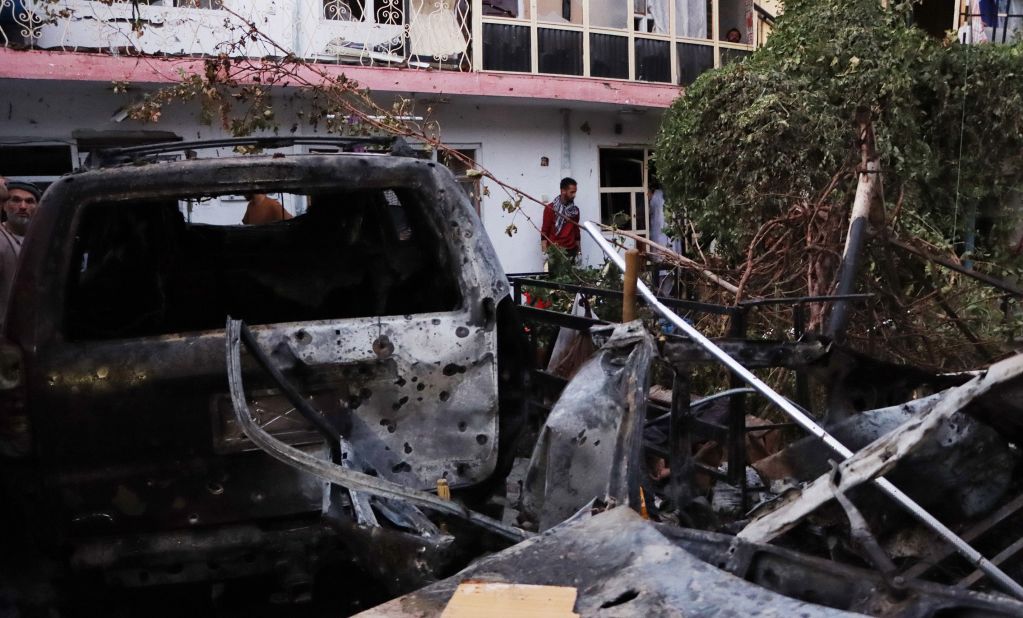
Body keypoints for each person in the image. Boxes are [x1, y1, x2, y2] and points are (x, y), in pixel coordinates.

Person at [0, 180, 40, 315]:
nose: (23, 206)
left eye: (29, 201)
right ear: (4, 206)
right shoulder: (2, 237)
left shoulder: (44, 239)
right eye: (16, 200)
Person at [540, 177, 581, 258]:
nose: (574, 195)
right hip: (555, 251)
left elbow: (576, 232)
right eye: (572, 192)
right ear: (563, 191)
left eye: (575, 192)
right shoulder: (550, 209)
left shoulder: (575, 211)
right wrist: (544, 254)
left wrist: (579, 252)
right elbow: (544, 232)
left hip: (571, 251)